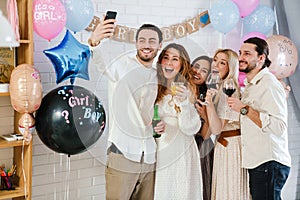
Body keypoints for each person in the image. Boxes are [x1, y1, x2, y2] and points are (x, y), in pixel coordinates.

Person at [88, 17, 165, 200]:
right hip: (122, 153)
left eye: (152, 41)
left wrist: (158, 123)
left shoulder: (159, 76)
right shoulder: (121, 66)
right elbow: (101, 61)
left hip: (149, 156)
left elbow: (155, 109)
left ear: (160, 45)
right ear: (136, 43)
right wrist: (94, 42)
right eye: (142, 40)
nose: (147, 45)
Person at [228, 37, 291, 200]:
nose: (241, 57)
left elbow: (279, 126)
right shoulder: (251, 85)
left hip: (269, 162)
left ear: (261, 58)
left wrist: (244, 109)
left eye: (247, 54)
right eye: (240, 53)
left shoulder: (269, 84)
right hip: (258, 162)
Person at [153, 43, 202, 200]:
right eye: (166, 58)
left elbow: (192, 128)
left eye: (175, 59)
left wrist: (185, 104)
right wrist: (156, 126)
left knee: (182, 192)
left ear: (182, 64)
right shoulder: (154, 86)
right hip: (162, 149)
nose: (169, 62)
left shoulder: (188, 89)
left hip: (182, 149)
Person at [204, 49, 251, 200]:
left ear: (230, 67)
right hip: (224, 145)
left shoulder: (228, 90)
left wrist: (209, 104)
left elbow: (217, 128)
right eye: (215, 59)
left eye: (222, 62)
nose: (215, 65)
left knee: (229, 191)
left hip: (230, 146)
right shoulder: (218, 87)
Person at [191, 55, 214, 200]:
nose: (198, 72)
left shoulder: (207, 98)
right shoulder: (177, 88)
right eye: (196, 66)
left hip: (201, 148)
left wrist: (206, 118)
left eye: (204, 70)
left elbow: (205, 136)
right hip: (178, 144)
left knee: (201, 190)